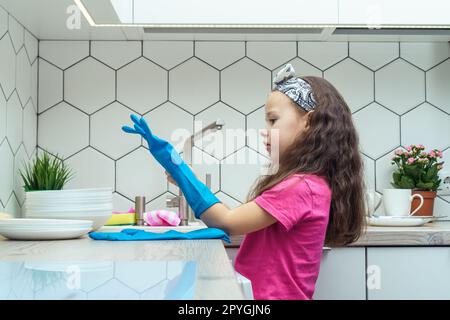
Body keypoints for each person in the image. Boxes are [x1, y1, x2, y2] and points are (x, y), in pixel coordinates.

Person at [122, 63, 366, 300]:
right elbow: (235, 217)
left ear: (308, 122)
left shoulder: (302, 187)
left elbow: (226, 222)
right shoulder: (306, 184)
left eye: (273, 120)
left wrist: (178, 166)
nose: (264, 130)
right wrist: (188, 180)